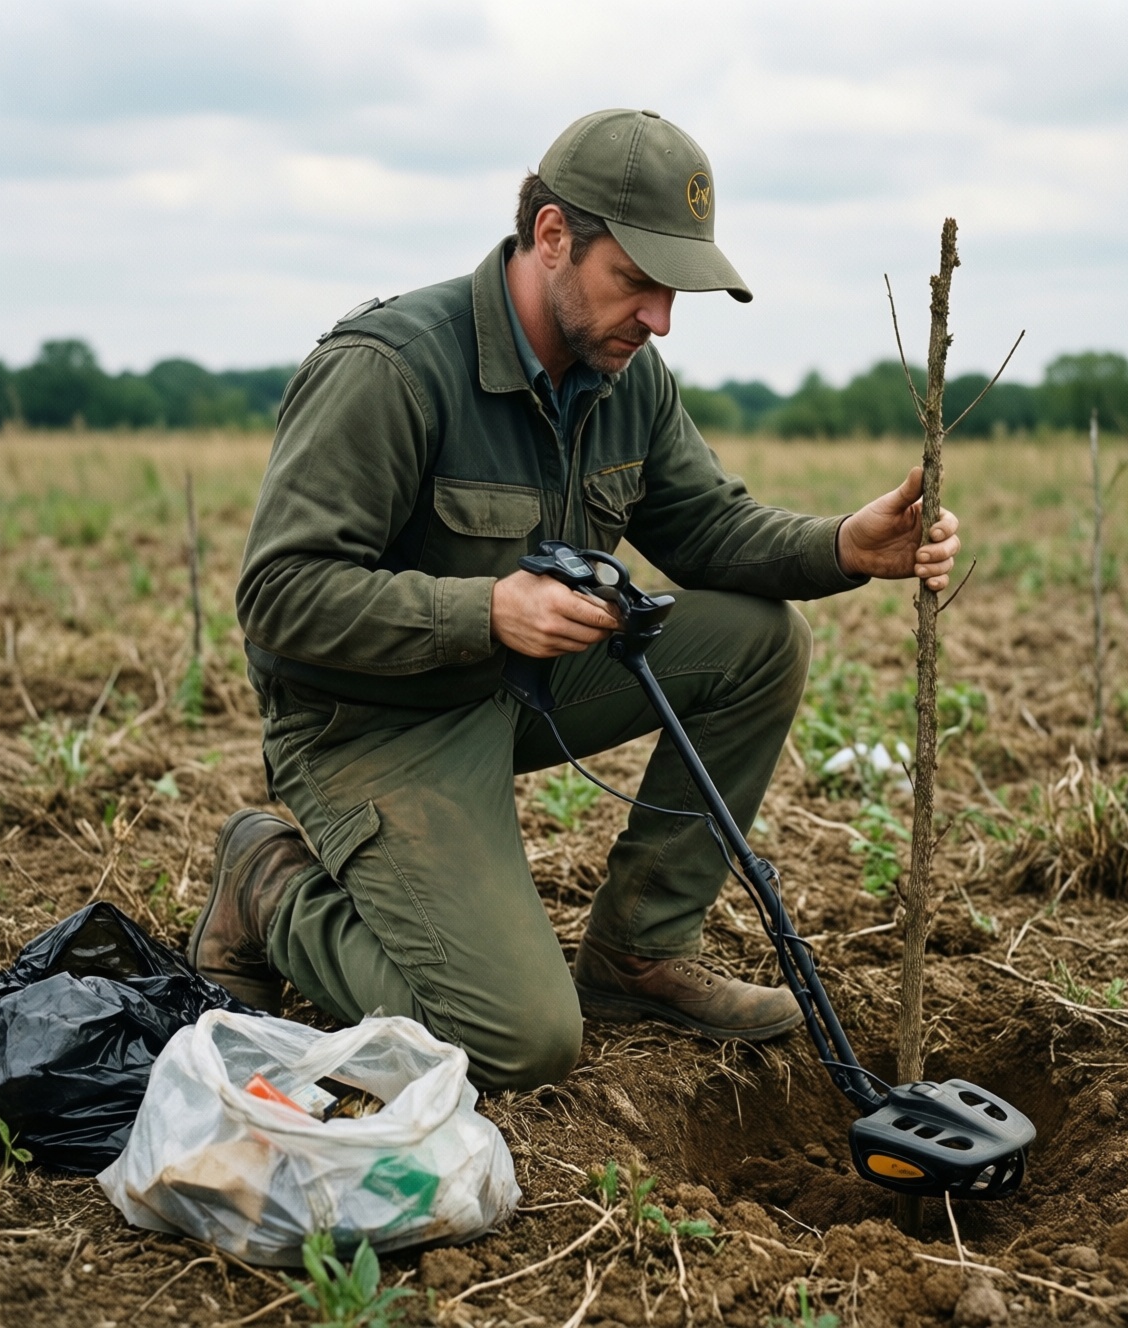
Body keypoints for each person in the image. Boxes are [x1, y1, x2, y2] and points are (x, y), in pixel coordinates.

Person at [188, 108, 960, 1093]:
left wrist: (844, 544)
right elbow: (279, 594)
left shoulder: (625, 377)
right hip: (369, 724)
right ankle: (270, 884)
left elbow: (708, 531)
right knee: (519, 1041)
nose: (658, 320)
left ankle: (636, 953)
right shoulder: (389, 368)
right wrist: (485, 610)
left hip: (519, 689)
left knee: (759, 640)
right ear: (551, 236)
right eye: (634, 282)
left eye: (671, 292)